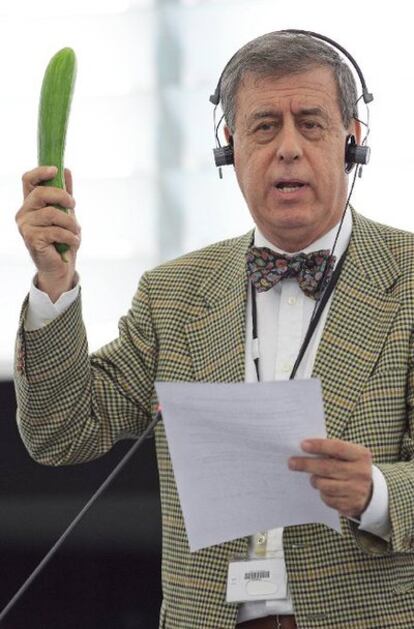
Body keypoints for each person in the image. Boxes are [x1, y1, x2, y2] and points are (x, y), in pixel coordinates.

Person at [14, 30, 414, 629]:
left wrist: (377, 491)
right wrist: (54, 285)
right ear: (228, 147)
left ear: (352, 142)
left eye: (310, 124)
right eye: (263, 127)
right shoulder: (173, 293)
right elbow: (61, 432)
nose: (287, 148)